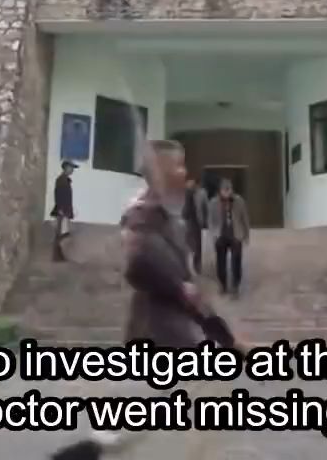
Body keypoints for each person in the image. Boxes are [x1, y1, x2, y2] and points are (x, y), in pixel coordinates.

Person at [49, 139, 240, 460]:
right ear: (158, 172)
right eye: (177, 166)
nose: (184, 172)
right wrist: (180, 288)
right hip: (158, 331)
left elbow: (185, 281)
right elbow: (140, 264)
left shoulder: (169, 218)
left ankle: (96, 445)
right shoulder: (143, 215)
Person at [208, 179, 250, 297]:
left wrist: (246, 235)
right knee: (220, 262)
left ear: (232, 190)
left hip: (236, 235)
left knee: (236, 261)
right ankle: (223, 284)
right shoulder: (213, 202)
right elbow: (210, 220)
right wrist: (213, 234)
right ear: (220, 190)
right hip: (220, 235)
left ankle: (235, 286)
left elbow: (245, 218)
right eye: (224, 190)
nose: (227, 192)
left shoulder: (239, 201)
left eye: (229, 190)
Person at [50, 160, 77, 262]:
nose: (72, 170)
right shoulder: (61, 180)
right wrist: (61, 209)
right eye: (71, 168)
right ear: (66, 168)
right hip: (62, 211)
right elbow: (58, 195)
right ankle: (57, 256)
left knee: (62, 233)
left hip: (65, 211)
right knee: (61, 234)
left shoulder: (65, 180)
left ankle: (59, 256)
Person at [182, 176, 207, 273]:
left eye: (192, 183)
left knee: (197, 245)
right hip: (185, 221)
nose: (190, 185)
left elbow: (205, 207)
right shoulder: (182, 192)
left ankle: (197, 264)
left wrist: (206, 220)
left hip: (196, 221)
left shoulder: (202, 193)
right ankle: (185, 267)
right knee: (186, 244)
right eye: (189, 183)